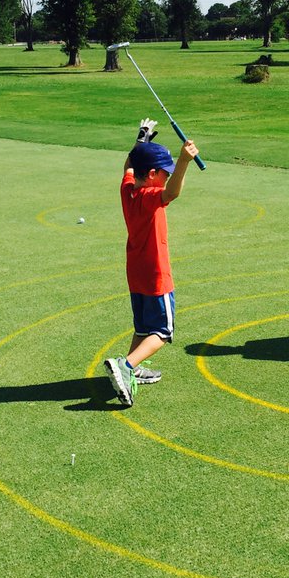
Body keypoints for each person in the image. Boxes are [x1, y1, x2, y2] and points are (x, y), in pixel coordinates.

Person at [104, 119, 200, 406]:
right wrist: (184, 160)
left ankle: (133, 368)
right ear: (154, 174)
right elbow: (172, 193)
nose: (168, 178)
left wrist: (141, 140)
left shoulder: (129, 189)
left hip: (136, 272)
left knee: (144, 327)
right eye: (166, 173)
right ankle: (127, 365)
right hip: (157, 272)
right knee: (162, 331)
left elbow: (128, 167)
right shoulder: (149, 196)